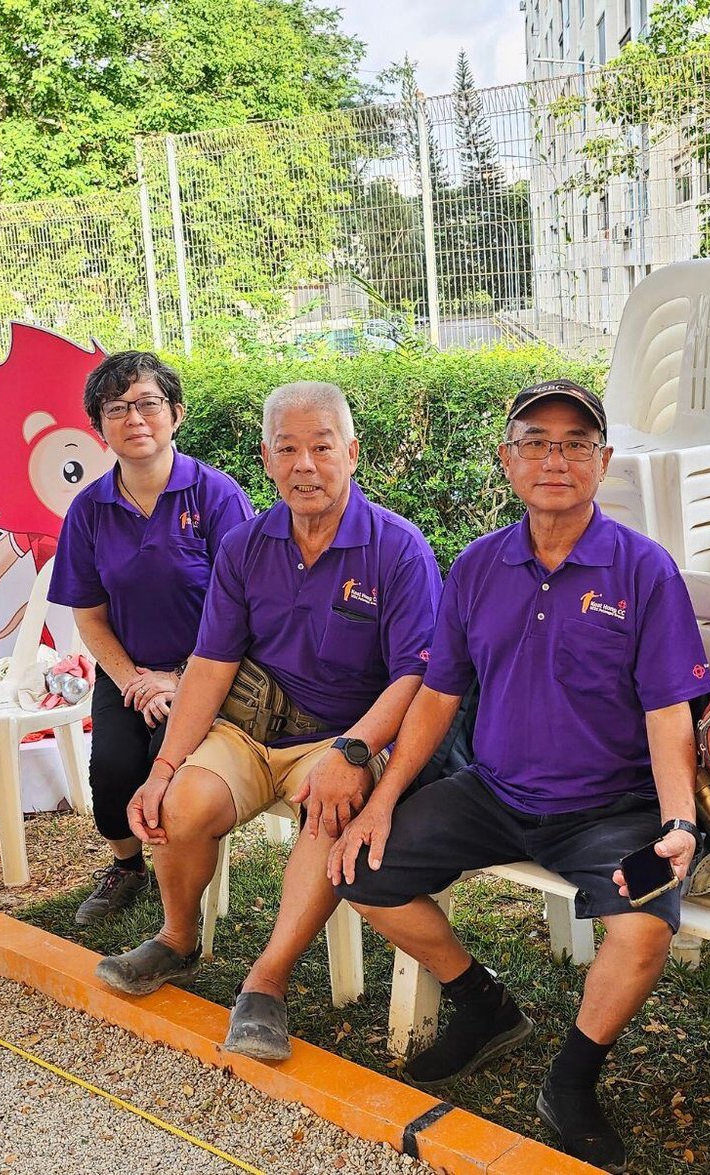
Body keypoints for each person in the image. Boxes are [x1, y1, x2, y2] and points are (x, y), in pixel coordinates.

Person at [329, 379, 710, 1171]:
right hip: (494, 792)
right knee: (360, 867)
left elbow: (670, 711)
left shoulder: (644, 571)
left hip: (611, 807)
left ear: (603, 462)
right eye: (536, 441)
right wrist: (383, 801)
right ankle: (482, 1000)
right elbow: (438, 696)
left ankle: (570, 1081)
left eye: (576, 443)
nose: (555, 458)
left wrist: (678, 822)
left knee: (642, 926)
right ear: (508, 462)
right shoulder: (477, 567)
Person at [95, 381, 439, 1066]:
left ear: (353, 452)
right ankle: (176, 938)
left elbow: (416, 677)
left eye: (321, 447)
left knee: (327, 807)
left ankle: (267, 979)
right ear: (266, 458)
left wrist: (355, 748)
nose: (304, 464)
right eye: (288, 448)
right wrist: (162, 767)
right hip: (252, 729)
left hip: (344, 735)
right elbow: (212, 664)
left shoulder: (399, 550)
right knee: (181, 802)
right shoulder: (248, 545)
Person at [48, 351, 253, 927]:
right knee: (112, 770)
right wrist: (136, 680)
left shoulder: (216, 496)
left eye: (148, 404)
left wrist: (183, 678)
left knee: (171, 766)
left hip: (214, 671)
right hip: (129, 673)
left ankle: (179, 885)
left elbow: (245, 606)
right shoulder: (90, 509)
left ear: (176, 415)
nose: (134, 419)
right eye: (117, 409)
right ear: (100, 426)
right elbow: (89, 615)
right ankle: (126, 866)